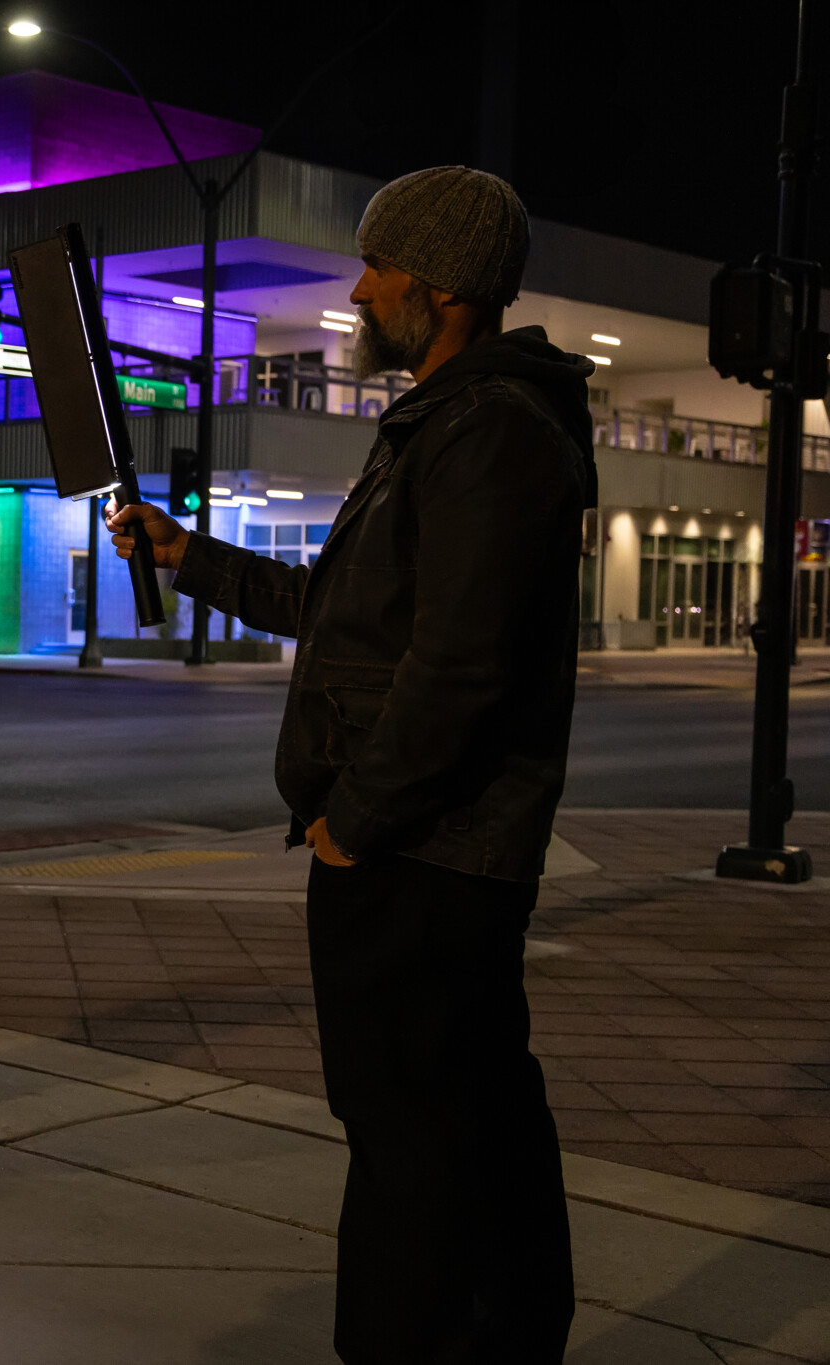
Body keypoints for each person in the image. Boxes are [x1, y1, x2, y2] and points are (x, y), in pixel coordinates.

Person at [108, 167, 592, 1364]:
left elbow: (458, 666)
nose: (357, 292)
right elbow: (340, 613)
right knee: (466, 1116)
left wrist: (355, 822)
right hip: (423, 845)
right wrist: (186, 555)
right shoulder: (447, 420)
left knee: (409, 1132)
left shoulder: (486, 429)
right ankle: (501, 1332)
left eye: (377, 268)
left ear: (440, 290)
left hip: (426, 852)